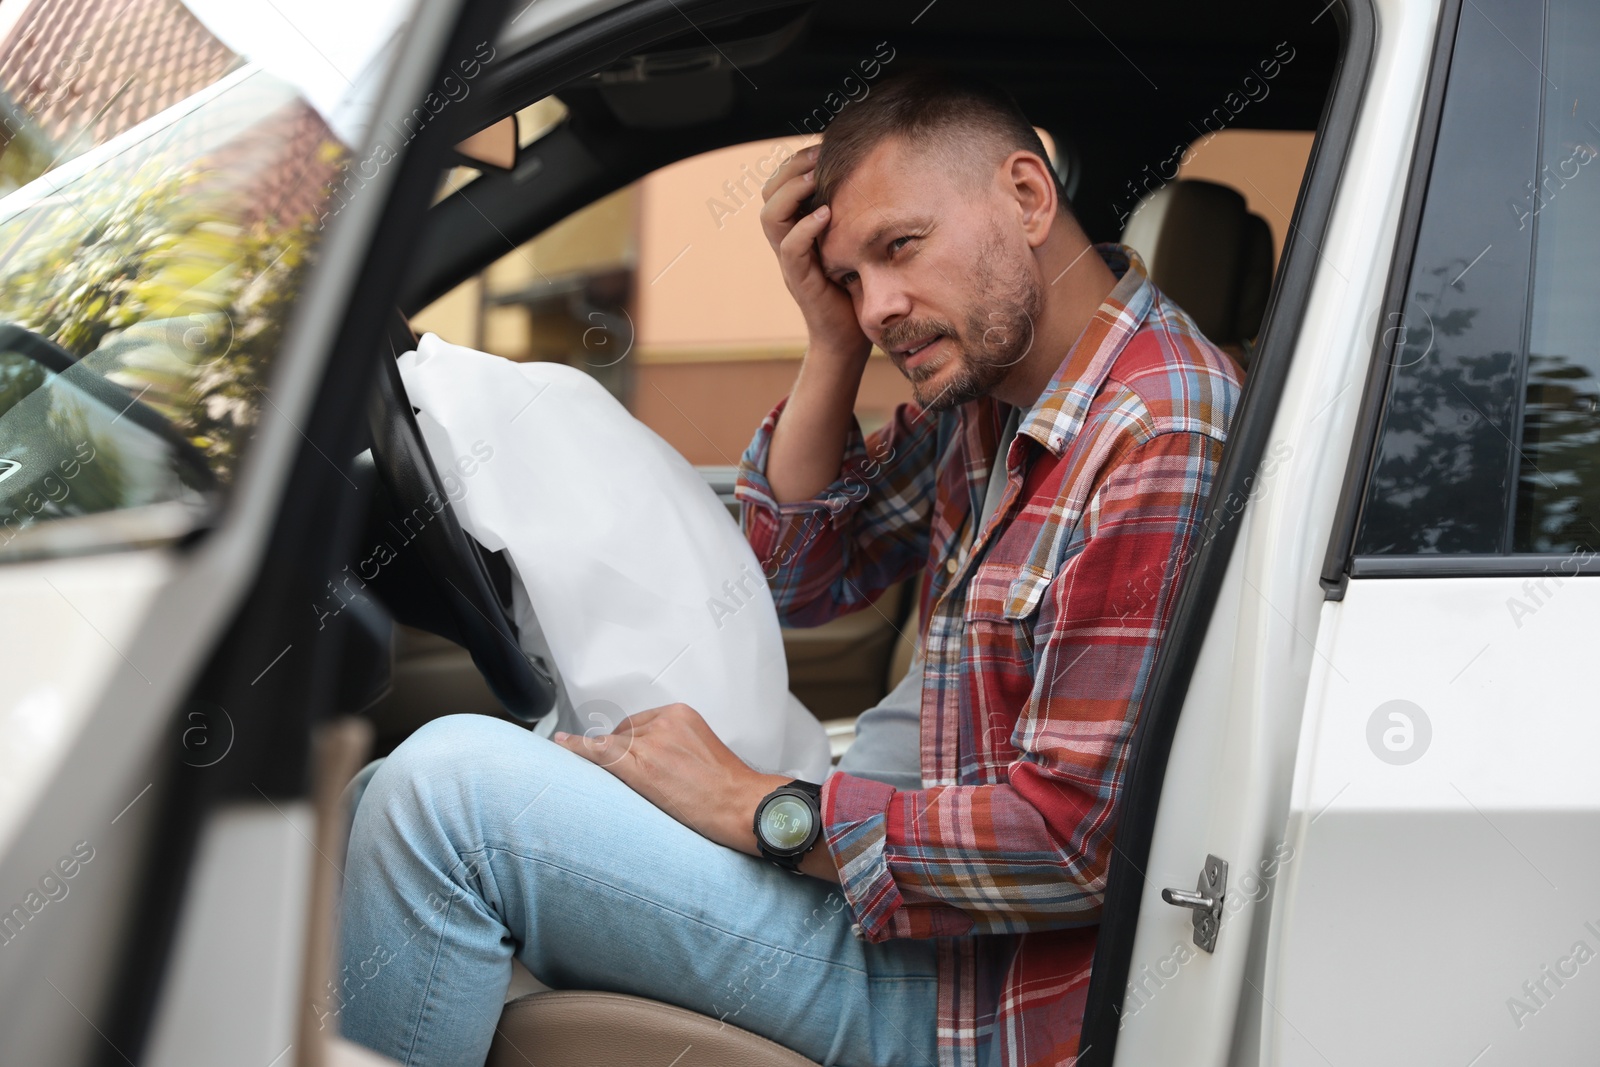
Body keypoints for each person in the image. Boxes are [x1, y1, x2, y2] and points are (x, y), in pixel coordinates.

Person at [338, 70, 1240, 1067]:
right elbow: (795, 578)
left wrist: (759, 805)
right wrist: (827, 341)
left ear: (1027, 195)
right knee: (373, 790)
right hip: (894, 899)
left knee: (440, 800)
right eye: (850, 279)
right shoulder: (998, 396)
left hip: (974, 995)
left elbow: (1075, 843)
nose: (878, 309)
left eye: (899, 247)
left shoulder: (1156, 430)